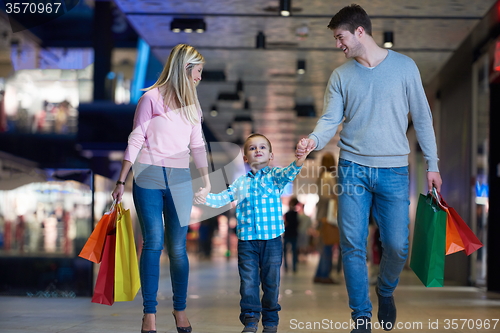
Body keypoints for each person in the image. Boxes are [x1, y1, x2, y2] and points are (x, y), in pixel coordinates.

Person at [296, 4, 443, 333]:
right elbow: (330, 120)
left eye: (341, 37)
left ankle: (386, 290)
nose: (338, 45)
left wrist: (432, 164)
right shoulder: (340, 76)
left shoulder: (405, 68)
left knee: (396, 245)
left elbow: (422, 119)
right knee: (352, 244)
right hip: (352, 169)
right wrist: (313, 140)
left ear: (359, 32)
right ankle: (360, 317)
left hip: (393, 170)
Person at [111, 44, 211, 333]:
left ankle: (180, 310)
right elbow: (136, 138)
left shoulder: (193, 106)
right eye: (198, 71)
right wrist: (121, 180)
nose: (200, 77)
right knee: (153, 242)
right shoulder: (150, 98)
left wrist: (205, 179)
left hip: (180, 178)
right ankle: (149, 314)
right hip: (148, 176)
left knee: (178, 248)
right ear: (185, 68)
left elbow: (197, 146)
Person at [195, 134, 311, 333]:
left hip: (272, 240)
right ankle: (250, 319)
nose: (258, 150)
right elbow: (221, 199)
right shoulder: (240, 183)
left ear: (271, 155)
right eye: (252, 148)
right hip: (247, 241)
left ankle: (271, 320)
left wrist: (301, 156)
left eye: (263, 147)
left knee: (271, 281)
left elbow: (291, 171)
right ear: (245, 158)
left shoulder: (275, 177)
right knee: (248, 281)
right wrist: (204, 197)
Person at [313, 152, 341, 284]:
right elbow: (325, 196)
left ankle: (321, 273)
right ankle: (324, 274)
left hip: (322, 216)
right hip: (326, 217)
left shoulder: (322, 176)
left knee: (325, 246)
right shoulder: (328, 176)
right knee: (327, 247)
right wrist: (335, 196)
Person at [283, 197, 300, 273]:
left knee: (286, 251)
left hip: (288, 234)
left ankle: (287, 266)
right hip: (294, 234)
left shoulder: (287, 214)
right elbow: (297, 224)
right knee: (294, 251)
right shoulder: (296, 214)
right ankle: (294, 267)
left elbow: (285, 224)